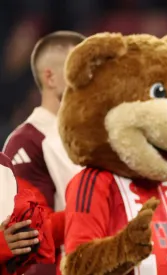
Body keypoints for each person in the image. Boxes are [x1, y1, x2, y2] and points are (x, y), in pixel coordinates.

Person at [2, 31, 85, 275]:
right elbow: (28, 235)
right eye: (80, 69)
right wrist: (95, 208)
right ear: (50, 77)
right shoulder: (26, 142)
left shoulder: (93, 139)